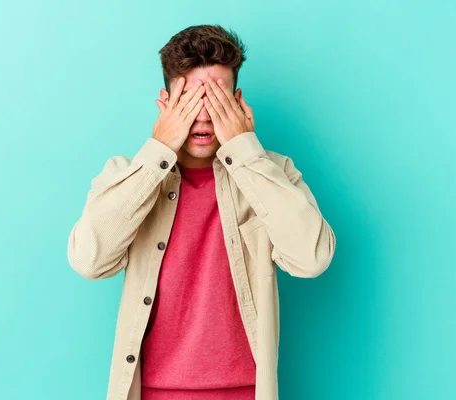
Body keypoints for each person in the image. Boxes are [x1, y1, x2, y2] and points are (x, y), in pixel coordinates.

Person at [67, 24, 336, 400]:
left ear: (239, 102)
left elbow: (312, 258)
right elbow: (88, 260)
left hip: (245, 391)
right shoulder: (126, 175)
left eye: (217, 100)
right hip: (151, 391)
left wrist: (246, 151)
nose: (204, 116)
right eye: (190, 101)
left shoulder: (272, 171)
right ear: (165, 104)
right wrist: (157, 150)